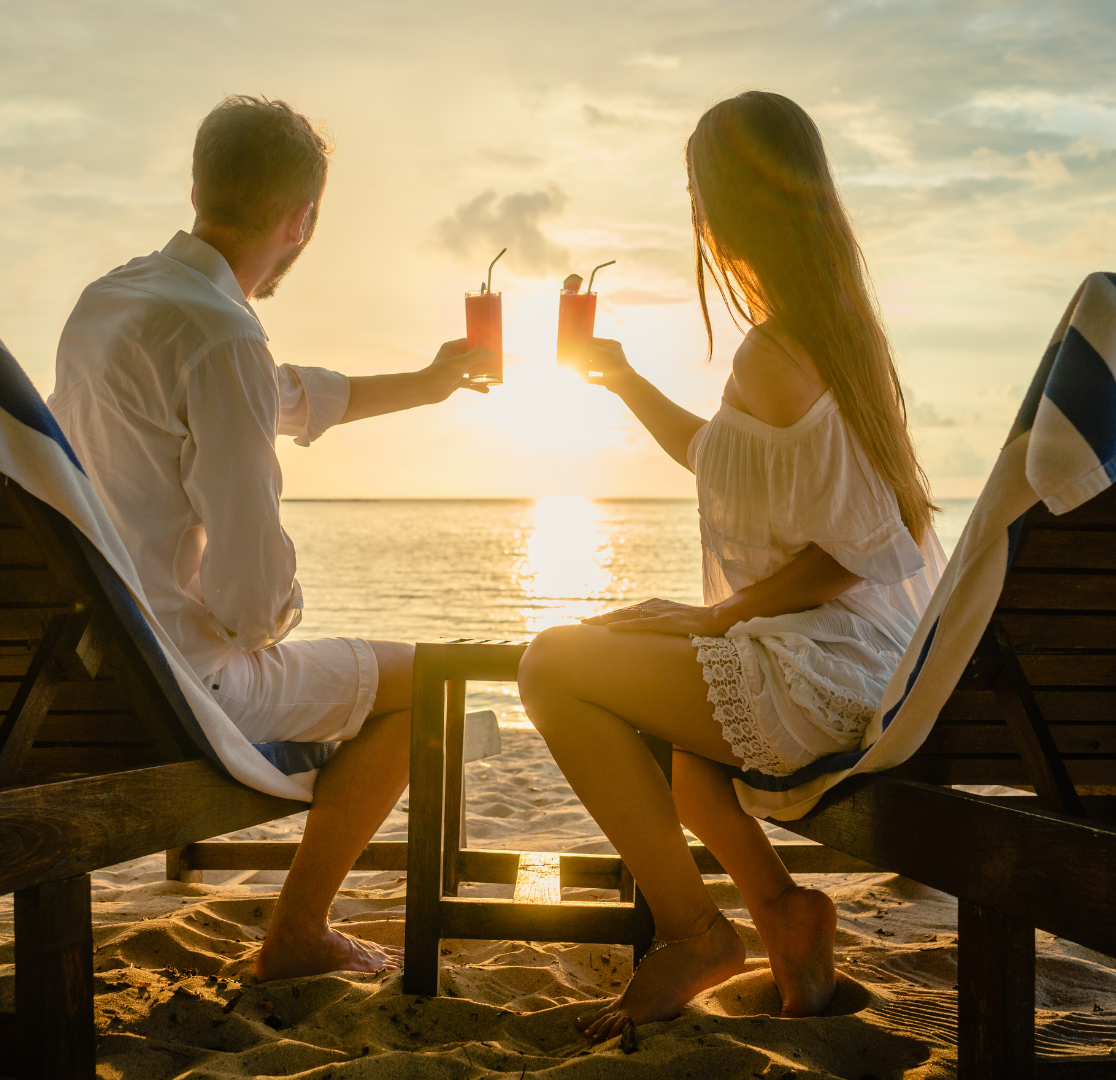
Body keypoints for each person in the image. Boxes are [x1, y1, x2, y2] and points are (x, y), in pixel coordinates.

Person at [518, 90, 947, 1038]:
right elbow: (725, 457)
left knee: (551, 666)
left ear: (716, 209)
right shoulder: (832, 334)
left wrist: (721, 616)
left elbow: (857, 553)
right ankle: (782, 912)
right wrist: (625, 379)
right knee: (675, 735)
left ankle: (695, 933)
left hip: (838, 669)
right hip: (870, 652)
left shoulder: (778, 351)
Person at [48, 95, 486, 982]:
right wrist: (286, 608)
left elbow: (284, 394)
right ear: (304, 219)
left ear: (203, 185)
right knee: (433, 683)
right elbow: (248, 607)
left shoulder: (114, 301)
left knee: (382, 670)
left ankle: (302, 928)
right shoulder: (220, 336)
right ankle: (299, 933)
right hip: (187, 683)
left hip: (95, 662)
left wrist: (429, 384)